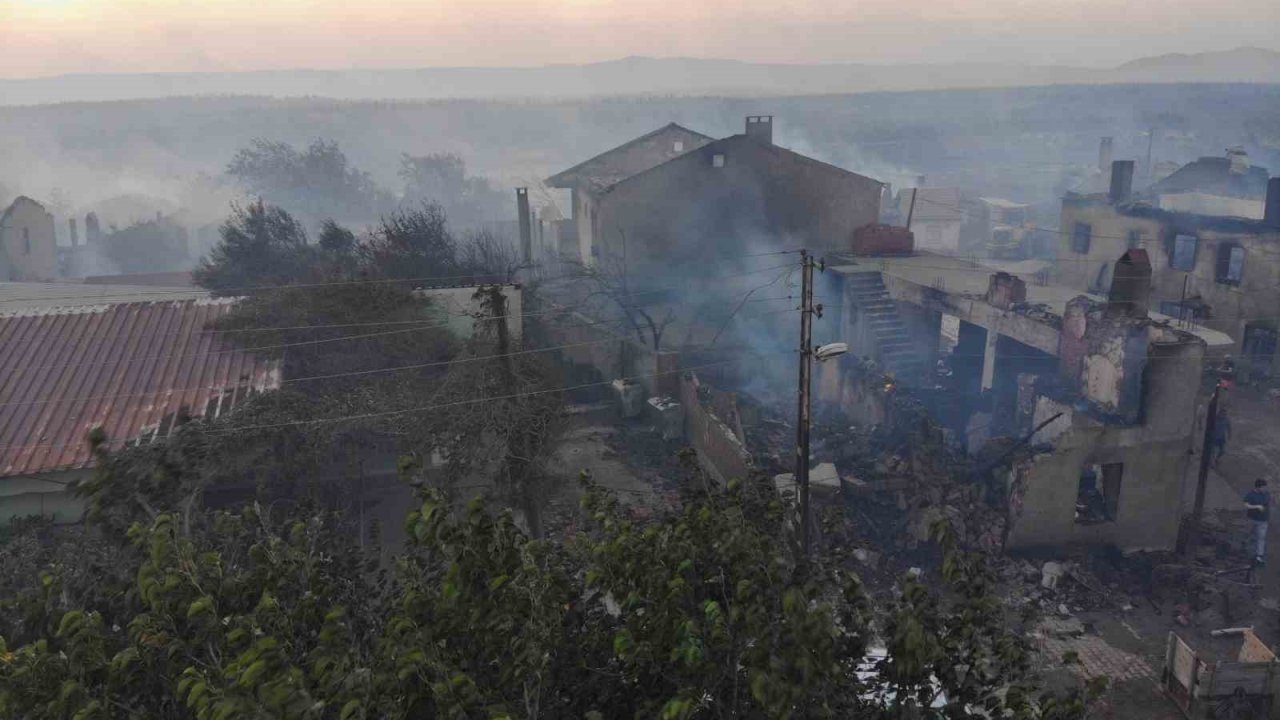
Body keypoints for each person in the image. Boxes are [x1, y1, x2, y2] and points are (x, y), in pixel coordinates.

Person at [1244, 478, 1270, 565]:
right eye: (1264, 487)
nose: (1265, 489)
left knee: (1261, 538)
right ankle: (1245, 550)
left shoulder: (1266, 494)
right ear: (1258, 487)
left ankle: (1259, 556)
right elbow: (1246, 505)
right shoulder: (1250, 495)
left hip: (1263, 521)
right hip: (1251, 519)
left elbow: (1267, 503)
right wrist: (1257, 506)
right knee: (1248, 535)